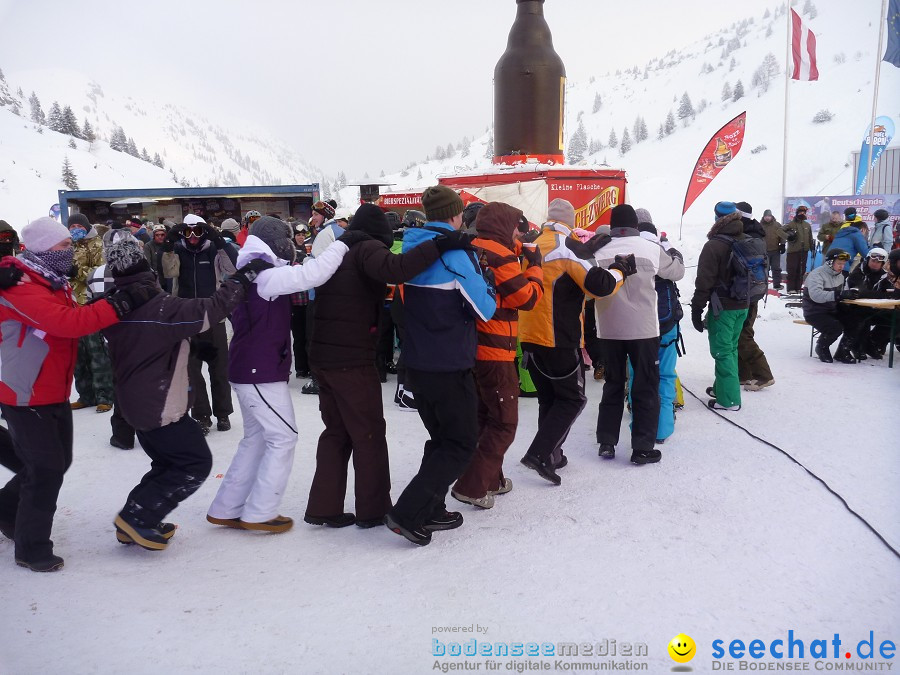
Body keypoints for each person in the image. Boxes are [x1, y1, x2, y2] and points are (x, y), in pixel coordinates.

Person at [305, 204, 471, 529]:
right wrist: (439, 245)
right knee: (368, 433)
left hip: (324, 358)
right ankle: (373, 509)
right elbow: (396, 268)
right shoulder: (366, 249)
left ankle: (323, 506)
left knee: (336, 432)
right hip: (351, 360)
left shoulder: (338, 251)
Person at [101, 234, 270, 550]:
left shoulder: (115, 305)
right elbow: (213, 309)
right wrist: (243, 277)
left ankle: (136, 517)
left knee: (168, 463)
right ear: (147, 271)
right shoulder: (160, 307)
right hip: (159, 404)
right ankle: (137, 518)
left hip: (135, 402)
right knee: (194, 462)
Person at [0, 217, 146, 572]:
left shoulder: (51, 281)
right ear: (43, 249)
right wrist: (118, 305)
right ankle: (31, 548)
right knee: (46, 468)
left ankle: (6, 512)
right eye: (64, 246)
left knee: (55, 463)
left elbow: (70, 317)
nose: (70, 251)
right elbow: (65, 323)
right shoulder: (21, 285)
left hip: (50, 388)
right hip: (25, 391)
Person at [207, 217, 363, 533]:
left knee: (257, 438)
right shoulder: (264, 272)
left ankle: (228, 507)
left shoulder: (254, 266)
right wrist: (344, 243)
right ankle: (260, 512)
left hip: (252, 367)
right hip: (258, 370)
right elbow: (312, 274)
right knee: (283, 437)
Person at [384, 185, 494, 546]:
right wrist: (487, 284)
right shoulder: (456, 253)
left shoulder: (411, 245)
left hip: (417, 361)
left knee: (442, 440)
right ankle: (408, 512)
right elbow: (485, 310)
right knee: (461, 443)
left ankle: (430, 508)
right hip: (448, 363)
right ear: (455, 214)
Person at [518, 198, 628, 484]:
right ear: (570, 220)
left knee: (550, 399)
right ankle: (541, 453)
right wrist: (621, 270)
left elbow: (559, 272)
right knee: (572, 399)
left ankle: (553, 453)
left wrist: (586, 251)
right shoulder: (569, 247)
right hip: (557, 335)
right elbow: (599, 286)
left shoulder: (534, 243)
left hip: (528, 335)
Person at [451, 202, 543, 509]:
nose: (519, 231)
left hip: (471, 346)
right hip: (495, 347)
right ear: (506, 224)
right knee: (504, 421)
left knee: (485, 416)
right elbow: (525, 298)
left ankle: (492, 479)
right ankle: (472, 486)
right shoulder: (500, 254)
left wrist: (520, 248)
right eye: (516, 226)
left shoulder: (475, 246)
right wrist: (535, 267)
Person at [593, 205, 684, 464]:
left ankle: (607, 442)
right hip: (643, 330)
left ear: (612, 225)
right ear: (635, 224)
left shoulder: (599, 250)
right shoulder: (650, 248)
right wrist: (674, 254)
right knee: (645, 386)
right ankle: (642, 447)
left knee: (612, 384)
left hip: (609, 329)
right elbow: (676, 272)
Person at [161, 215, 234, 433]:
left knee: (219, 368)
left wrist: (220, 243)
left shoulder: (213, 250)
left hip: (213, 316)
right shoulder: (179, 250)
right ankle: (201, 415)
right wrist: (168, 245)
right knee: (192, 371)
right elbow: (169, 271)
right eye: (187, 232)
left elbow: (231, 270)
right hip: (187, 318)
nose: (192, 237)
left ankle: (222, 414)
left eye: (198, 232)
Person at [628, 212, 685, 447]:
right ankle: (661, 428)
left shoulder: (626, 248)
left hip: (635, 326)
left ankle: (640, 428)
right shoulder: (661, 250)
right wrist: (672, 250)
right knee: (665, 374)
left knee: (637, 376)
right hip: (666, 321)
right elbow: (678, 272)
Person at [690, 202, 750, 411]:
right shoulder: (746, 239)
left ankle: (729, 401)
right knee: (731, 349)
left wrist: (696, 309)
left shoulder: (714, 245)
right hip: (743, 304)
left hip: (723, 307)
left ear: (716, 217)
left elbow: (704, 281)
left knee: (722, 352)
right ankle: (723, 388)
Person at [67, 213, 114, 414]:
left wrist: (76, 271)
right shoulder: (67, 245)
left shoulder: (97, 245)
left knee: (96, 352)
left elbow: (100, 272)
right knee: (78, 353)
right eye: (72, 225)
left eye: (79, 225)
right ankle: (85, 395)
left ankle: (104, 395)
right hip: (71, 305)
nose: (75, 228)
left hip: (91, 303)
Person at [734, 202, 775, 391]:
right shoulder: (757, 232)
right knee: (743, 331)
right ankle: (744, 374)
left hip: (743, 292)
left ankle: (763, 375)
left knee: (742, 334)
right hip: (754, 290)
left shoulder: (743, 234)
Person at [802, 248, 857, 363]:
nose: (842, 266)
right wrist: (838, 295)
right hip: (814, 311)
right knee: (835, 327)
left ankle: (843, 351)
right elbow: (816, 295)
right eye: (839, 263)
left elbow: (839, 295)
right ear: (830, 262)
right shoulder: (816, 275)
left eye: (843, 264)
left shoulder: (840, 276)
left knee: (855, 320)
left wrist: (849, 294)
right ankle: (822, 346)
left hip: (831, 308)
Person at [783, 205, 813, 293]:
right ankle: (791, 288)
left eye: (804, 212)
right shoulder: (791, 224)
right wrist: (788, 237)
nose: (802, 213)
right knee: (792, 270)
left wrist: (812, 247)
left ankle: (798, 287)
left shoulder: (807, 225)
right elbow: (779, 231)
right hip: (793, 251)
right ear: (797, 213)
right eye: (800, 212)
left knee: (801, 270)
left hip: (804, 251)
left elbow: (810, 237)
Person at [760, 209, 787, 290]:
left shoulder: (777, 225)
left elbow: (782, 235)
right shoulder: (759, 225)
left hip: (775, 250)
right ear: (763, 217)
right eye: (766, 216)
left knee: (776, 268)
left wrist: (782, 244)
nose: (767, 218)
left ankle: (777, 284)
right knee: (764, 269)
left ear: (771, 216)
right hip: (763, 251)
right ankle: (763, 284)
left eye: (769, 216)